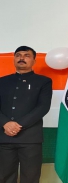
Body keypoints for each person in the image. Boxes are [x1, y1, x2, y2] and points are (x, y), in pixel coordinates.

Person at [0, 46, 52, 183]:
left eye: (26, 55)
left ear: (34, 61)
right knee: (4, 177)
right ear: (14, 59)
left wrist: (19, 125)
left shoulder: (44, 82)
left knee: (30, 178)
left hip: (30, 139)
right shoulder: (2, 81)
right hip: (4, 137)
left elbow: (43, 107)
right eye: (18, 55)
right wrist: (5, 123)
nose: (21, 58)